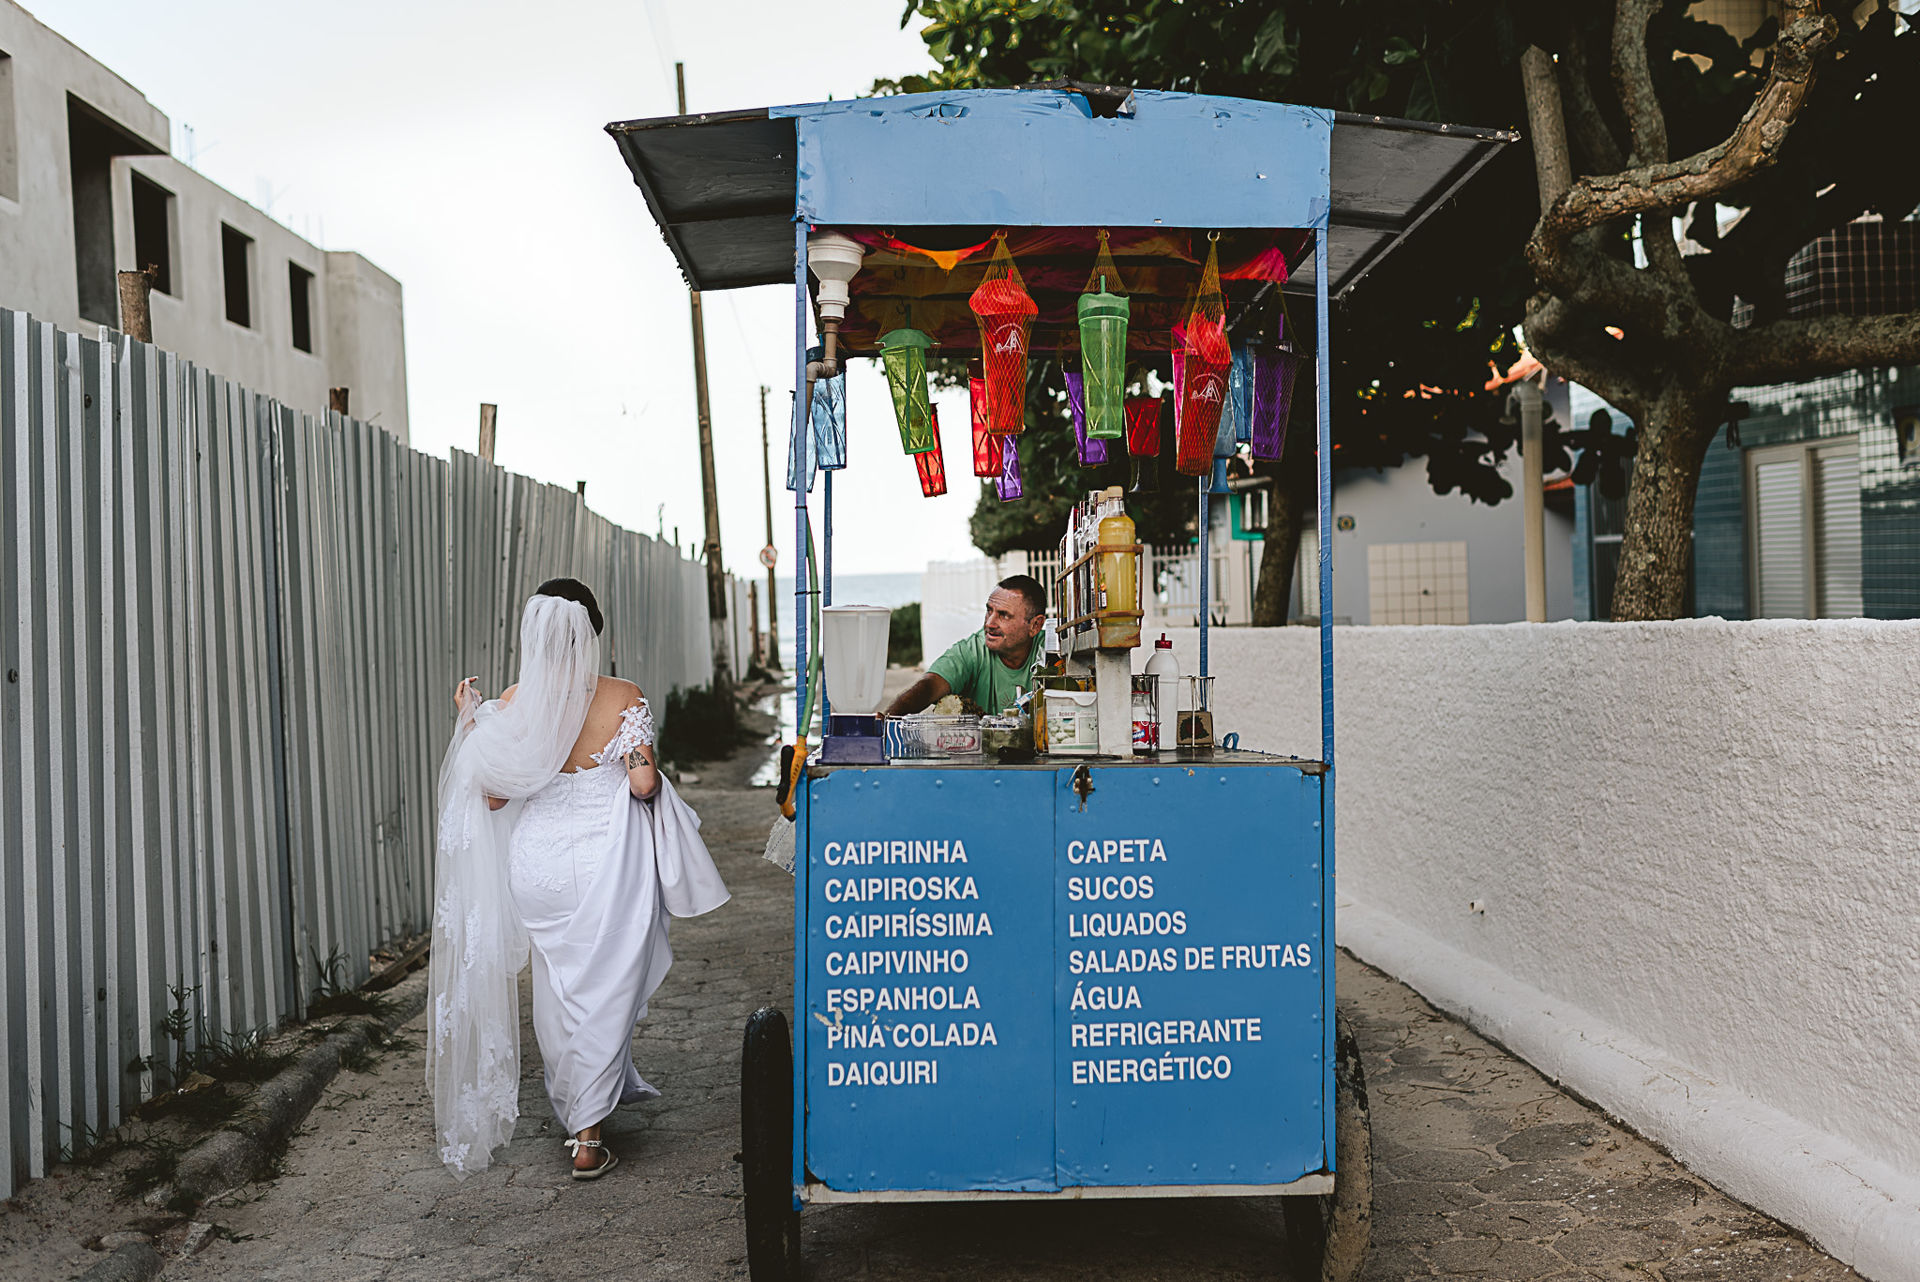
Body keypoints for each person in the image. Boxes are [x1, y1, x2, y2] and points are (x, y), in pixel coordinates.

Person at [430, 578, 729, 1182]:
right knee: (606, 990)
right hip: (606, 861)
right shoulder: (622, 695)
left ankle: (582, 1113)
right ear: (593, 631)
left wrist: (471, 723)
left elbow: (490, 799)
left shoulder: (514, 703)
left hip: (537, 866)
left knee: (558, 990)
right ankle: (588, 1133)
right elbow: (642, 785)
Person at [888, 574, 1048, 716]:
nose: (989, 623)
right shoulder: (973, 650)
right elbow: (929, 686)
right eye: (989, 611)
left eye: (1004, 615)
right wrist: (887, 719)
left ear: (1035, 625)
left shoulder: (1052, 652)